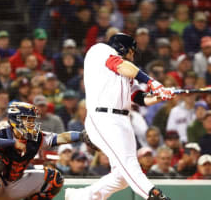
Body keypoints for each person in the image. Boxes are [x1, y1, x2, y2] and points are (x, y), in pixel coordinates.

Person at [66, 33, 173, 200]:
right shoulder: (100, 51)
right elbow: (119, 65)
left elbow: (139, 98)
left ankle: (80, 197)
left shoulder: (127, 72)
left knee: (122, 176)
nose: (132, 56)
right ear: (122, 48)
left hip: (123, 120)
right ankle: (153, 195)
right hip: (103, 118)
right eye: (131, 52)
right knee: (130, 163)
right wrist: (152, 82)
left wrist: (161, 96)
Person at [0, 102, 90, 199]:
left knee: (54, 178)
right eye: (27, 119)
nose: (32, 123)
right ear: (15, 119)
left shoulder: (37, 137)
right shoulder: (2, 132)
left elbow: (61, 137)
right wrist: (13, 143)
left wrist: (81, 135)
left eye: (33, 120)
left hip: (12, 184)